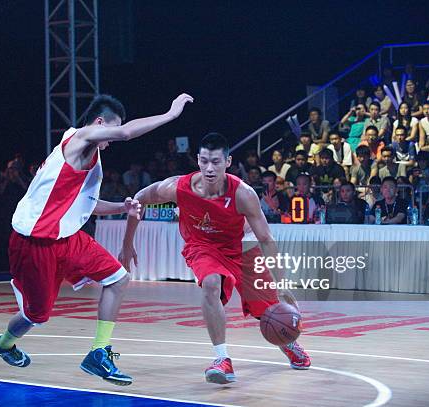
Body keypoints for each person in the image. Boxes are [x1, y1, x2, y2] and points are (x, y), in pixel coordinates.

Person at [0, 93, 193, 387]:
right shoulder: (81, 138)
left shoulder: (90, 157)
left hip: (67, 237)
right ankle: (3, 343)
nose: (110, 140)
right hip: (35, 243)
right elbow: (125, 132)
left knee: (118, 279)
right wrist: (170, 115)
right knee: (36, 315)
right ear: (99, 124)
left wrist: (121, 207)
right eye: (110, 129)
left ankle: (98, 352)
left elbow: (87, 204)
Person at [119, 133, 311, 384]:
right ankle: (222, 359)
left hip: (241, 248)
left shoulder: (243, 193)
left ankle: (287, 340)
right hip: (203, 247)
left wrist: (282, 284)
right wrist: (127, 244)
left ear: (228, 162)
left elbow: (265, 238)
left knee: (270, 312)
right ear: (198, 160)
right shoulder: (177, 187)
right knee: (210, 283)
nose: (210, 168)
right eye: (205, 161)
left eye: (216, 162)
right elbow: (139, 200)